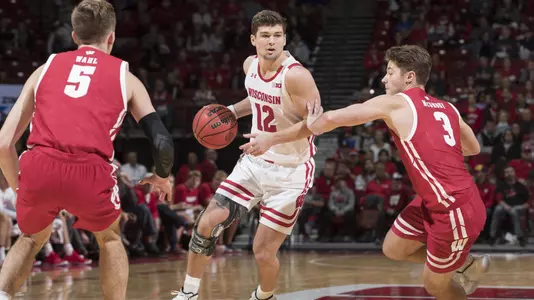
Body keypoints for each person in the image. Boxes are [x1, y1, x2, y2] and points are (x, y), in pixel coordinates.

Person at [0, 1, 174, 299]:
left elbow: (4, 142)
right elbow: (162, 142)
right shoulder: (126, 77)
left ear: (74, 36)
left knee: (31, 237)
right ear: (111, 37)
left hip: (40, 165)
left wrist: (19, 189)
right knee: (109, 238)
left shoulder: (45, 69)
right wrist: (161, 176)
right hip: (90, 171)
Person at [306, 45, 489, 300]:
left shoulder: (396, 104)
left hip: (454, 208)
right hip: (433, 201)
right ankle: (465, 262)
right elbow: (474, 147)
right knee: (393, 248)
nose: (383, 78)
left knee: (434, 284)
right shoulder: (447, 107)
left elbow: (337, 117)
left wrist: (312, 123)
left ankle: (459, 265)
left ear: (409, 77)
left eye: (390, 72)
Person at [173, 10, 320, 300]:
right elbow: (255, 99)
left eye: (277, 35)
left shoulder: (297, 76)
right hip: (254, 164)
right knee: (206, 224)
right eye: (265, 36)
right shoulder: (250, 65)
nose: (271, 41)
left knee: (263, 252)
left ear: (285, 38)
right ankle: (188, 293)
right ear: (253, 40)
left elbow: (317, 123)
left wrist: (272, 139)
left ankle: (264, 295)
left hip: (290, 172)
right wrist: (230, 111)